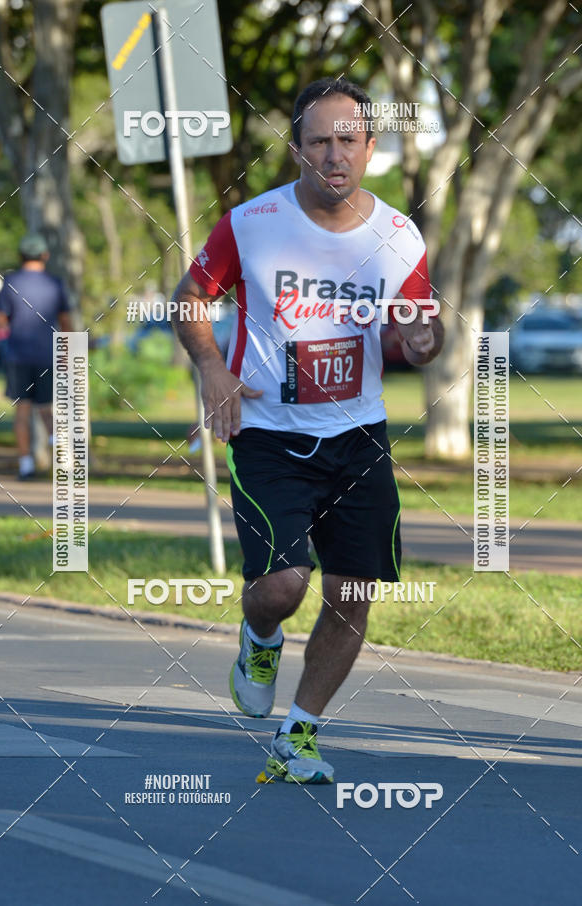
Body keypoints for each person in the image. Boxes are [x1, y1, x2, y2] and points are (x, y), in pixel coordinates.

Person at [173, 78, 444, 784]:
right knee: (283, 584)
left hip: (359, 437)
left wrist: (424, 340)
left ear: (370, 147)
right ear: (296, 150)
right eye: (318, 141)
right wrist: (211, 367)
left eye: (347, 140)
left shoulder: (398, 235)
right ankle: (259, 635)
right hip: (265, 430)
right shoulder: (251, 224)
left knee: (352, 593)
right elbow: (190, 298)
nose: (333, 154)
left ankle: (299, 735)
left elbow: (420, 329)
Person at [0, 234, 72, 480]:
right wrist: (65, 353)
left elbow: (0, 318)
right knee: (47, 409)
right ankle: (65, 461)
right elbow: (66, 322)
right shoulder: (55, 284)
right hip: (48, 355)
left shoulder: (11, 282)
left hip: (18, 356)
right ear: (45, 255)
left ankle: (26, 466)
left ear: (21, 256)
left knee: (22, 411)